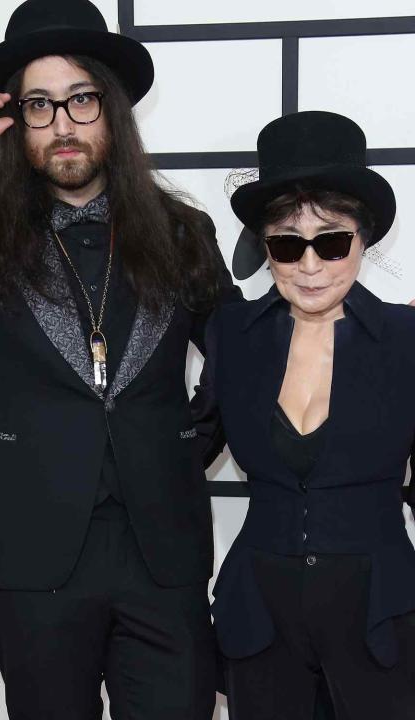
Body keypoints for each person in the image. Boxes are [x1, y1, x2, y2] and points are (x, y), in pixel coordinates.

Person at [0, 0, 239, 717]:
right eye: (39, 105)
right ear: (14, 122)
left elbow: (241, 357)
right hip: (30, 551)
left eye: (81, 99)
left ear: (113, 109)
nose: (63, 123)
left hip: (160, 552)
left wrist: (183, 445)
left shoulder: (182, 231)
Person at [199, 110, 415, 720]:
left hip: (381, 623)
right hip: (259, 623)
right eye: (289, 243)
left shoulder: (406, 340)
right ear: (266, 248)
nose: (311, 265)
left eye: (333, 239)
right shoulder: (233, 335)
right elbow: (186, 447)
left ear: (364, 238)